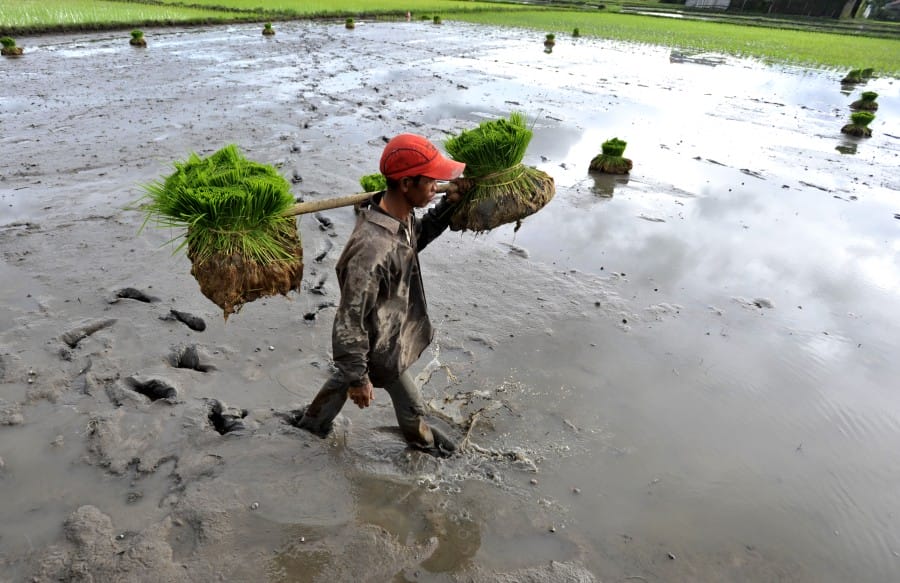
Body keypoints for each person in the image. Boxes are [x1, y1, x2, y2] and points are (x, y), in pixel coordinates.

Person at [298, 133, 466, 456]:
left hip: (388, 328)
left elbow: (417, 238)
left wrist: (447, 207)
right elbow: (350, 321)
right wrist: (360, 378)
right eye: (430, 181)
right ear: (406, 184)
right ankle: (425, 450)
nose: (436, 185)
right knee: (412, 406)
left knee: (344, 377)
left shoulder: (399, 216)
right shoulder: (371, 249)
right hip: (376, 342)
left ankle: (310, 425)